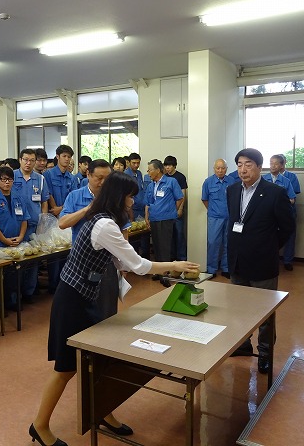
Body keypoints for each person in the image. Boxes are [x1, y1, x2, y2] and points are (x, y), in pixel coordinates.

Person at [30, 172, 200, 446]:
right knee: (65, 367)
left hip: (87, 296)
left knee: (97, 360)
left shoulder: (104, 221)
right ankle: (39, 426)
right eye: (130, 196)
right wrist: (175, 264)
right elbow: (139, 265)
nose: (133, 202)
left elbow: (120, 261)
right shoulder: (104, 224)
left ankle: (103, 412)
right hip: (73, 299)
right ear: (119, 197)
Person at [226, 148, 294, 374]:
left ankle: (265, 353)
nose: (242, 170)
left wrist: (270, 247)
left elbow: (287, 226)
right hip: (237, 260)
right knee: (238, 308)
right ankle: (243, 345)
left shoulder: (275, 192)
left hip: (263, 261)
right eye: (239, 165)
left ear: (259, 167)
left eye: (248, 164)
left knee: (264, 312)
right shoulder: (232, 189)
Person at [59, 160, 118, 318]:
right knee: (81, 310)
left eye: (107, 178)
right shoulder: (75, 196)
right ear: (88, 175)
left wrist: (122, 264)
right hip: (80, 264)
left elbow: (123, 230)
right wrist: (87, 209)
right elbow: (63, 223)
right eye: (99, 178)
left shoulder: (114, 199)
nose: (103, 183)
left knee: (106, 309)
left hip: (107, 262)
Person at [0, 166, 30, 309]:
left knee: (16, 275)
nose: (7, 183)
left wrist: (21, 236)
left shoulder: (18, 197)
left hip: (16, 243)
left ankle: (13, 301)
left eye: (10, 179)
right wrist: (4, 240)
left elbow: (24, 219)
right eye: (3, 180)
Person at [13, 149, 50, 303]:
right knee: (17, 262)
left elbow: (44, 202)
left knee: (33, 261)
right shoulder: (11, 176)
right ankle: (15, 296)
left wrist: (43, 223)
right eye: (25, 159)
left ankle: (29, 293)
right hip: (16, 226)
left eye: (32, 160)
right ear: (20, 160)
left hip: (34, 226)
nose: (28, 163)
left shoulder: (40, 179)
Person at [43, 145, 77, 294]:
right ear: (57, 157)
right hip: (52, 218)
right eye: (64, 156)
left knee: (66, 251)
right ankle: (53, 285)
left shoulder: (72, 177)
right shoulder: (48, 175)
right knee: (53, 253)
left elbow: (73, 197)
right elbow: (47, 193)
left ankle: (64, 284)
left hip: (67, 217)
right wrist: (55, 208)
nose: (67, 159)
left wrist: (61, 209)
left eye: (69, 157)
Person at [145, 159, 183, 281]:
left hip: (166, 219)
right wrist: (147, 217)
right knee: (156, 246)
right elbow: (148, 203)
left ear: (158, 170)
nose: (148, 172)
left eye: (150, 169)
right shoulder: (151, 185)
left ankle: (165, 273)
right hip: (154, 218)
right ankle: (159, 270)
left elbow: (179, 198)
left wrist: (171, 211)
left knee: (165, 246)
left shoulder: (171, 181)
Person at [201, 159, 236, 278]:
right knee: (213, 242)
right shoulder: (208, 182)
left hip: (230, 217)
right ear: (214, 168)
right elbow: (205, 199)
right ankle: (211, 269)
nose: (220, 171)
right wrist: (213, 210)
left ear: (226, 169)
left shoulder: (232, 181)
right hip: (214, 217)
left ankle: (226, 268)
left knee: (228, 243)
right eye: (218, 168)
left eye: (223, 168)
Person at [262, 155, 297, 271]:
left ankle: (287, 261)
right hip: (267, 215)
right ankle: (267, 261)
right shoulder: (262, 179)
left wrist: (279, 202)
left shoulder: (286, 181)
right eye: (271, 163)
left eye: (276, 163)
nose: (273, 166)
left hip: (281, 215)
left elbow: (292, 199)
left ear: (281, 165)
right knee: (267, 238)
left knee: (285, 237)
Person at [277, 154, 301, 270]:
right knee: (272, 236)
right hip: (273, 212)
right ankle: (272, 259)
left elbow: (293, 195)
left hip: (288, 211)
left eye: (279, 162)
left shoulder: (291, 177)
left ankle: (287, 261)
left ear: (284, 163)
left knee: (290, 236)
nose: (275, 165)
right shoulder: (267, 178)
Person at [164, 155, 188, 261]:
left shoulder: (180, 177)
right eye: (166, 166)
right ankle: (171, 257)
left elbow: (183, 194)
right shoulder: (164, 177)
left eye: (169, 166)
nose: (167, 168)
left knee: (179, 234)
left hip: (177, 210)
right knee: (169, 235)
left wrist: (180, 209)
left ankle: (182, 258)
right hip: (166, 211)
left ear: (174, 166)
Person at [125, 152, 148, 257]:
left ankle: (145, 257)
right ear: (129, 163)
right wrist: (130, 214)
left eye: (138, 163)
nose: (136, 165)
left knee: (144, 233)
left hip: (142, 208)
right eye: (134, 163)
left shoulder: (139, 174)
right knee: (134, 237)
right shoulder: (126, 175)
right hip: (132, 209)